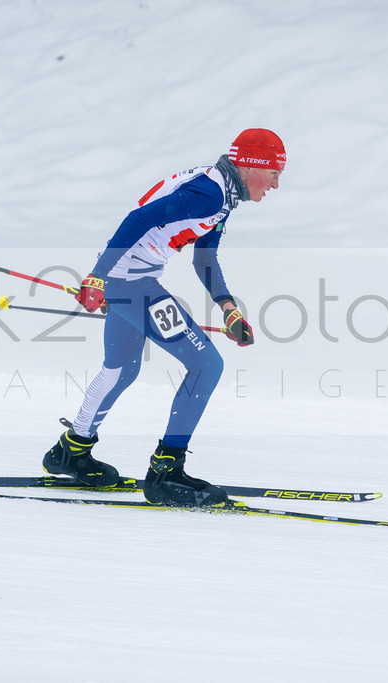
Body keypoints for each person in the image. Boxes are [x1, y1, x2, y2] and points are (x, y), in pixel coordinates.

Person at [41, 128, 285, 507]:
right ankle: (165, 473)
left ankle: (70, 452)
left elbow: (204, 257)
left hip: (130, 280)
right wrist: (96, 277)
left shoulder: (222, 193)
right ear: (252, 166)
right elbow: (139, 219)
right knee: (207, 365)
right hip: (131, 282)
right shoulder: (209, 193)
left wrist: (228, 307)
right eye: (274, 174)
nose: (275, 185)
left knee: (121, 369)